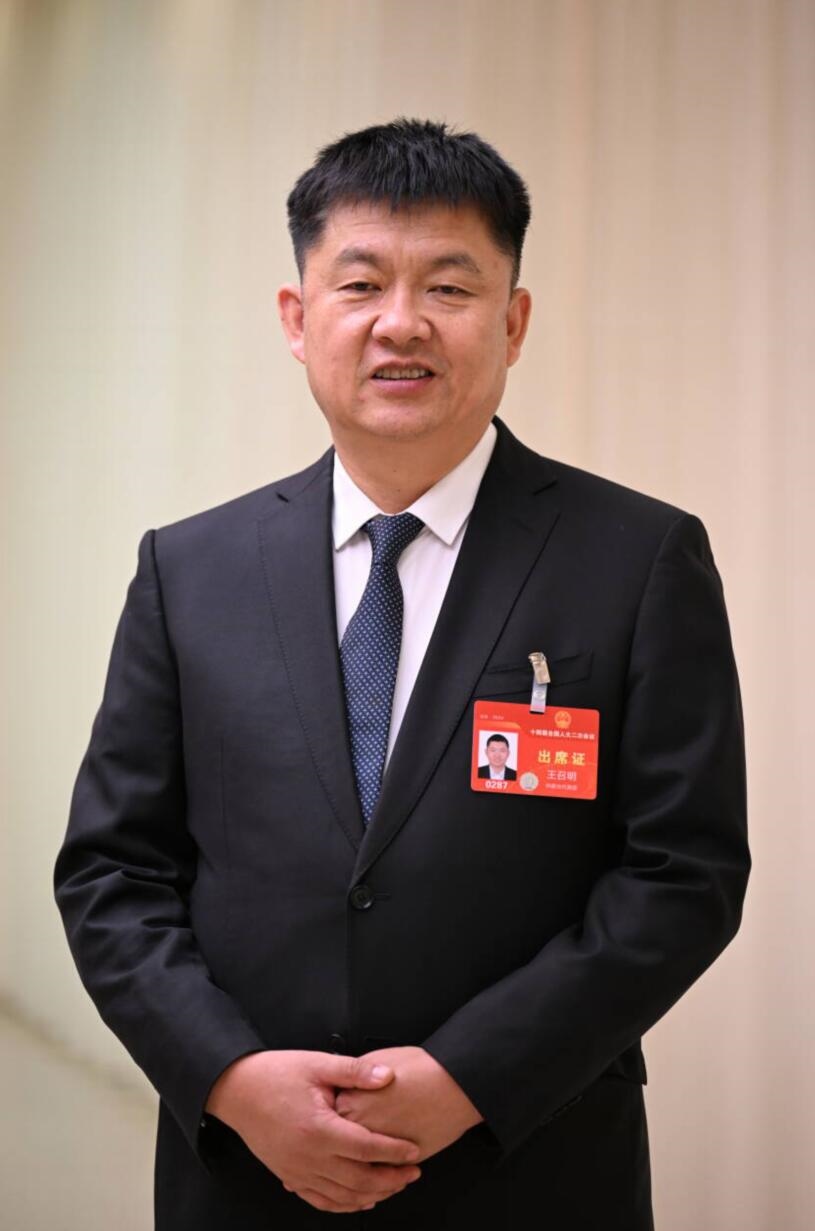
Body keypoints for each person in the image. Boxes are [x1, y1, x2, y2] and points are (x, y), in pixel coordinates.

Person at [54, 119, 750, 1231]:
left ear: (512, 322)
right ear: (298, 319)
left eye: (450, 287)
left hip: (531, 1168)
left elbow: (682, 874)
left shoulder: (637, 559)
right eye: (361, 283)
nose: (401, 322)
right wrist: (230, 1077)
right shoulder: (190, 570)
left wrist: (471, 1076)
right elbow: (113, 870)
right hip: (246, 1175)